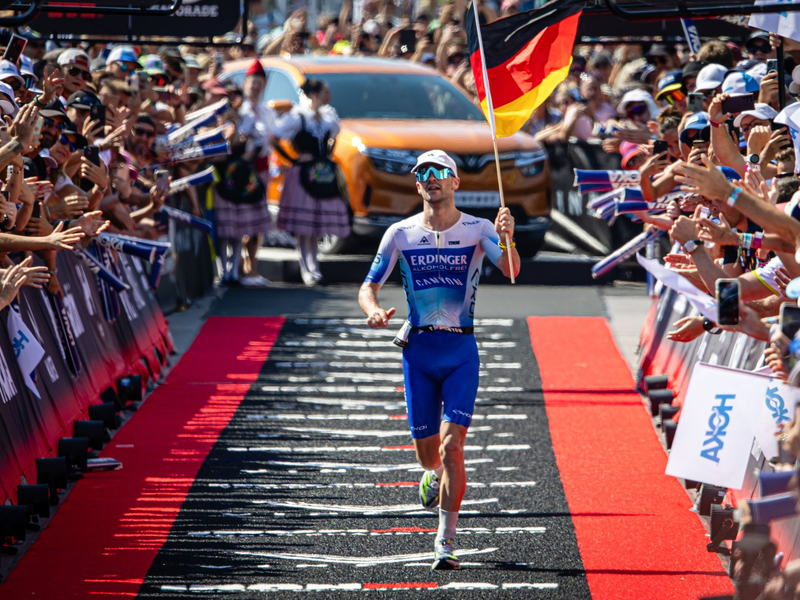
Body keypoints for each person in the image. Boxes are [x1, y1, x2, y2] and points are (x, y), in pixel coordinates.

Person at [358, 149, 519, 570]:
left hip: (461, 351)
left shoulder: (478, 228)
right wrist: (372, 311)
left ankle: (445, 542)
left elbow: (511, 270)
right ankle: (431, 475)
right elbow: (368, 285)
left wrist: (508, 237)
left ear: (455, 182)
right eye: (423, 173)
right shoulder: (400, 233)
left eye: (440, 171)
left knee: (453, 448)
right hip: (419, 354)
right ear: (417, 185)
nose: (432, 178)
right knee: (429, 457)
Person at [271, 79, 349, 286]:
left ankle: (314, 266)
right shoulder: (297, 117)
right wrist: (292, 159)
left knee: (316, 222)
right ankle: (307, 267)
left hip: (322, 172)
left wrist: (327, 154)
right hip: (303, 173)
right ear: (314, 94)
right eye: (325, 92)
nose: (329, 96)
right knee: (304, 223)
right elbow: (274, 138)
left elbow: (333, 137)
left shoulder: (328, 116)